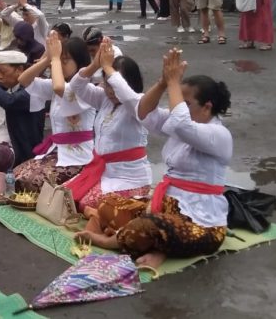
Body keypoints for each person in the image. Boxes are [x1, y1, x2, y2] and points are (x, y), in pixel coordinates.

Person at [76, 49, 232, 269]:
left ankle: (114, 241)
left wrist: (175, 84)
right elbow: (143, 111)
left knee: (144, 227)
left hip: (202, 223)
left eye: (185, 103)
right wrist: (162, 83)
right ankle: (157, 246)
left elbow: (180, 123)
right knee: (108, 206)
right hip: (168, 208)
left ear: (207, 107)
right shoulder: (184, 124)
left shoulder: (218, 135)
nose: (177, 106)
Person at [65, 39, 151, 211]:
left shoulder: (139, 103)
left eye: (115, 85)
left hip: (129, 178)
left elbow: (126, 95)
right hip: (102, 172)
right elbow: (76, 85)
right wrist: (96, 63)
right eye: (107, 85)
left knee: (85, 204)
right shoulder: (105, 99)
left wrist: (109, 69)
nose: (111, 91)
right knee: (64, 195)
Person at [15, 33, 95, 192]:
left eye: (66, 60)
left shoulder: (84, 89)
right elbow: (24, 80)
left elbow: (59, 89)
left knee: (32, 182)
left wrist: (56, 59)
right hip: (56, 151)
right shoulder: (58, 83)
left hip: (78, 157)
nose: (61, 64)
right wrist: (48, 58)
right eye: (61, 60)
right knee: (16, 175)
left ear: (79, 62)